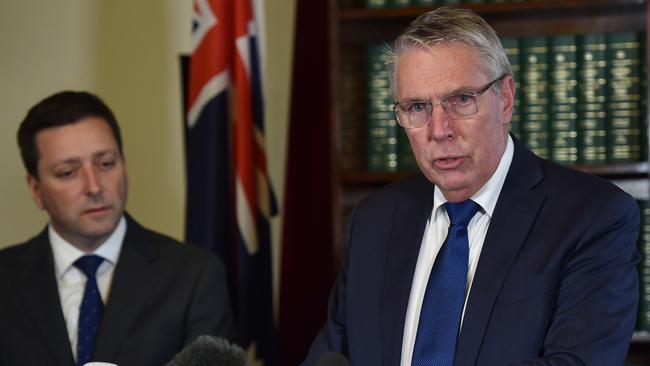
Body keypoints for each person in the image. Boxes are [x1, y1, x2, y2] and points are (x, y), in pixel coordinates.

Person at [303, 7, 639, 366]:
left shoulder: (593, 217)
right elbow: (332, 355)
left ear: (505, 98)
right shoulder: (374, 220)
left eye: (461, 100)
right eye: (417, 107)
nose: (439, 130)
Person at [0, 91, 236, 366]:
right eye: (68, 172)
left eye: (106, 164)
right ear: (36, 190)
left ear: (124, 165)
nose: (94, 186)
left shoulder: (194, 276)